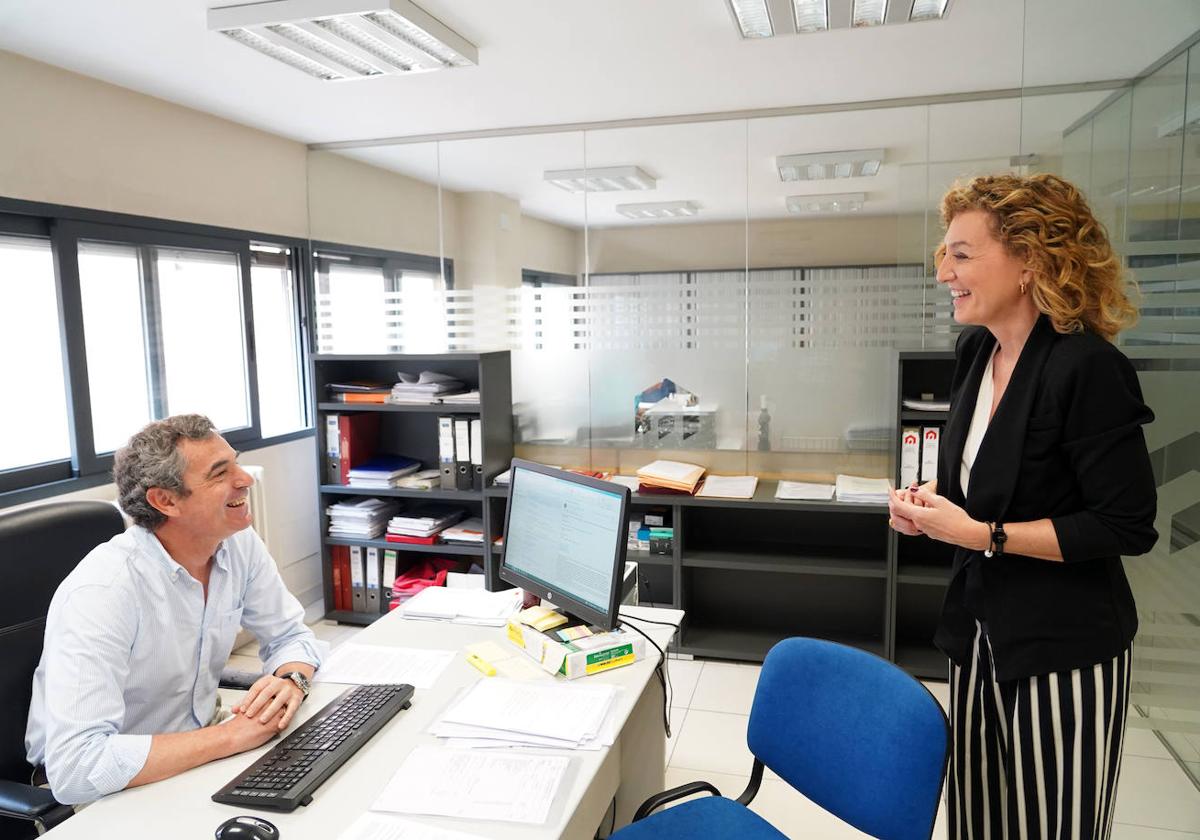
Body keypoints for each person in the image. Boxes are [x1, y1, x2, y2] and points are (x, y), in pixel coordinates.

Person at [888, 173, 1157, 840]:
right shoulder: (977, 351)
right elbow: (987, 484)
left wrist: (981, 533)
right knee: (978, 821)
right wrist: (932, 508)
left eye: (961, 253)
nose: (944, 270)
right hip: (976, 633)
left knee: (1051, 826)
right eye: (943, 254)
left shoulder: (1085, 367)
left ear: (1031, 258)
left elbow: (1124, 524)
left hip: (1063, 647)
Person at [26, 414, 322, 805]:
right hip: (107, 791)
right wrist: (230, 736)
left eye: (235, 461)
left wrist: (291, 681)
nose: (245, 479)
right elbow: (77, 768)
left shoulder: (235, 542)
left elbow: (289, 635)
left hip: (196, 748)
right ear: (165, 501)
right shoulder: (104, 591)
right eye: (220, 473)